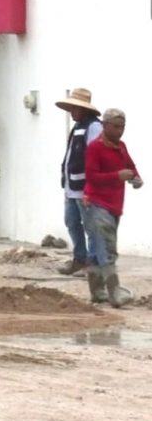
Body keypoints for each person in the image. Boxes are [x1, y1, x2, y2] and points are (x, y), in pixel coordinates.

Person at [83, 108, 142, 307]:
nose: (120, 131)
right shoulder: (95, 148)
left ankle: (97, 292)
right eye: (116, 127)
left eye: (122, 127)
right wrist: (117, 176)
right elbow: (92, 177)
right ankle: (114, 292)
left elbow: (131, 167)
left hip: (114, 206)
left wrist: (135, 178)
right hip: (97, 203)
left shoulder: (121, 147)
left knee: (96, 249)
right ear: (105, 125)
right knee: (107, 248)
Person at [55, 88, 102, 275]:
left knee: (91, 226)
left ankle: (94, 263)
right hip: (72, 187)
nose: (72, 111)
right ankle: (79, 258)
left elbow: (95, 158)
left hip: (85, 188)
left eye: (75, 108)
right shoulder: (78, 126)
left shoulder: (94, 126)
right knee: (72, 222)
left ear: (84, 109)